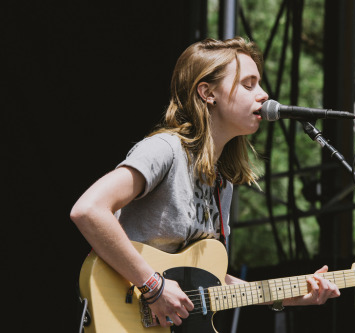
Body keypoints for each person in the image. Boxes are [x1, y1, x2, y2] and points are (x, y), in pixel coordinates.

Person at [71, 37, 340, 329]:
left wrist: (290, 296)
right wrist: (153, 286)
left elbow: (206, 279)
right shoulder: (166, 149)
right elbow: (89, 210)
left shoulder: (222, 182)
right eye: (248, 84)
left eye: (260, 84)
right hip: (123, 308)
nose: (263, 95)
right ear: (208, 92)